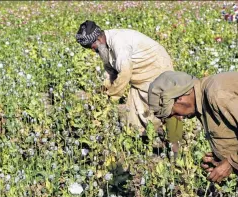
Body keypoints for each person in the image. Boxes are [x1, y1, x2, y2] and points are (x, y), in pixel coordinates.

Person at [75, 20, 182, 153]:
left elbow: (125, 72)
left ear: (98, 38)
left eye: (92, 46)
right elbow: (112, 73)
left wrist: (112, 95)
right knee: (137, 112)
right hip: (140, 75)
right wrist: (103, 91)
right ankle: (147, 143)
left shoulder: (119, 42)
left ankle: (175, 149)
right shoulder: (104, 47)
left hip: (156, 67)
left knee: (166, 107)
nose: (92, 49)